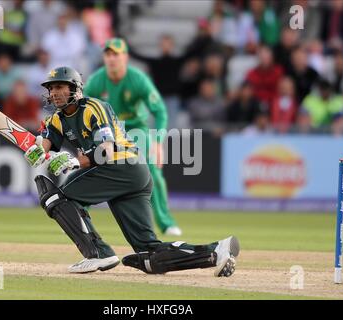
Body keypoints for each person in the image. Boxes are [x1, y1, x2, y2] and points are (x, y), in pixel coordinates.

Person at [23, 66, 240, 277]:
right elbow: (45, 144)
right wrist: (36, 151)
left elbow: (106, 151)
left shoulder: (93, 108)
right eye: (51, 88)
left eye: (60, 86)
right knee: (149, 253)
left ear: (75, 89)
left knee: (54, 197)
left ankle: (98, 253)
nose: (54, 93)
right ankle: (216, 251)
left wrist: (74, 162)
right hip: (132, 176)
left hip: (123, 166)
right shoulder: (56, 119)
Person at [83, 38, 183, 236]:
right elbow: (83, 112)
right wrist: (84, 143)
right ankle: (79, 218)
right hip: (106, 132)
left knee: (152, 170)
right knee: (89, 168)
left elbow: (160, 111)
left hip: (135, 129)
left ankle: (165, 222)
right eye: (108, 54)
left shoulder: (137, 79)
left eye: (116, 54)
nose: (111, 59)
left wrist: (157, 142)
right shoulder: (96, 81)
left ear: (125, 57)